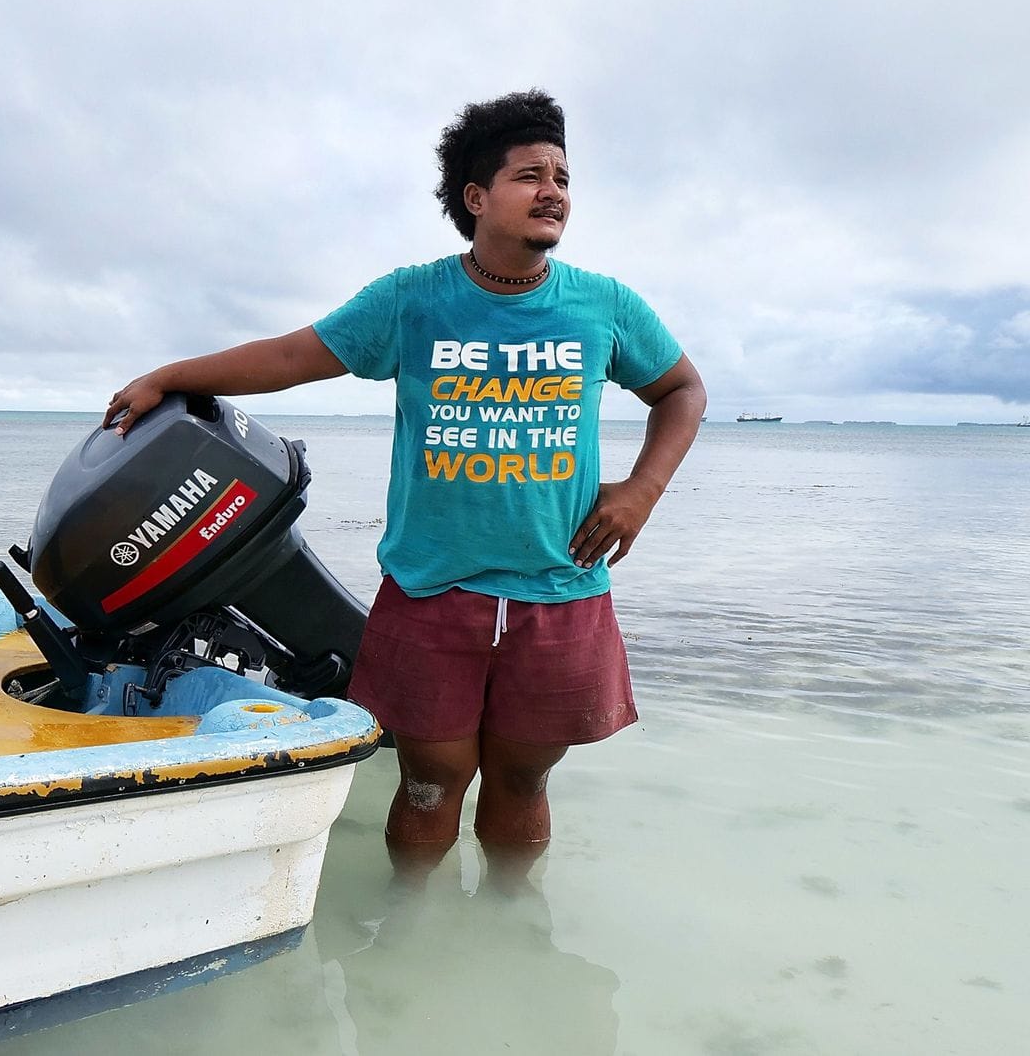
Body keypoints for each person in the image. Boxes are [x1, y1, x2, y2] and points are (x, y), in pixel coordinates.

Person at [104, 90, 706, 873]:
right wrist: (171, 376)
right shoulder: (413, 300)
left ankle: (507, 934)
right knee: (429, 781)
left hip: (561, 589)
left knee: (523, 778)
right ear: (477, 197)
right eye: (531, 174)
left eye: (562, 175)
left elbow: (682, 390)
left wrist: (641, 491)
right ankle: (411, 931)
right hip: (430, 588)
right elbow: (292, 357)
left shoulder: (604, 305)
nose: (554, 189)